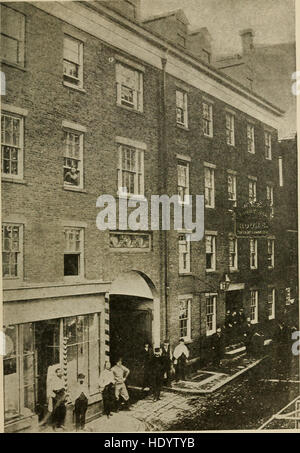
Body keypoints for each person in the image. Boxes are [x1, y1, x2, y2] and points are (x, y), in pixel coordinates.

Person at [48, 367, 67, 431]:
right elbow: (50, 390)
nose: (60, 373)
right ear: (56, 373)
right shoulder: (53, 380)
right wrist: (56, 396)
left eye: (61, 372)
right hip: (56, 396)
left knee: (63, 410)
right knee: (56, 411)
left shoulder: (62, 379)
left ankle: (60, 424)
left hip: (62, 396)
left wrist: (64, 395)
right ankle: (54, 426)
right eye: (59, 372)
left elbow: (64, 388)